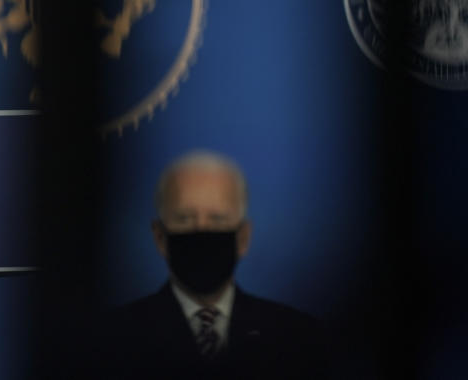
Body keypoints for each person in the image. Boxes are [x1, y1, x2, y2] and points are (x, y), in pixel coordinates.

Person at [99, 151, 329, 379]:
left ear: (243, 238)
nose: (202, 231)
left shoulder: (297, 337)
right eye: (185, 218)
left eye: (217, 219)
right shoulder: (111, 340)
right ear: (160, 237)